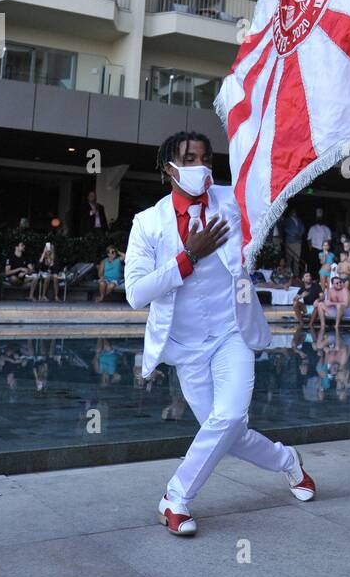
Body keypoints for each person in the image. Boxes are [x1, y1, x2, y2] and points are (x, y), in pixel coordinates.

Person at [124, 130, 316, 538]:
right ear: (168, 168)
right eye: (190, 159)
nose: (201, 167)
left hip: (233, 332)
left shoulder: (233, 199)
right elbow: (136, 294)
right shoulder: (147, 223)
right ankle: (288, 461)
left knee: (228, 417)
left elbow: (273, 175)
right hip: (186, 346)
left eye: (206, 158)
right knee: (228, 433)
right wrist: (188, 256)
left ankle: (175, 499)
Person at [306, 209, 331, 276]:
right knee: (313, 265)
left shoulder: (327, 229)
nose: (320, 220)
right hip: (314, 249)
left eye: (321, 218)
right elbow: (309, 239)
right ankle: (313, 278)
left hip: (324, 250)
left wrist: (327, 249)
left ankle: (320, 279)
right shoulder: (312, 228)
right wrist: (310, 248)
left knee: (323, 265)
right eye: (318, 218)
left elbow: (329, 240)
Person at [282, 208, 306, 274]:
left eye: (295, 211)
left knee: (297, 259)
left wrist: (300, 234)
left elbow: (303, 228)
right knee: (289, 259)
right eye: (293, 211)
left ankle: (296, 274)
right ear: (290, 212)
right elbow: (286, 229)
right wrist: (294, 235)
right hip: (290, 241)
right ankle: (288, 274)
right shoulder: (287, 220)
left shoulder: (299, 220)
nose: (294, 213)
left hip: (298, 242)